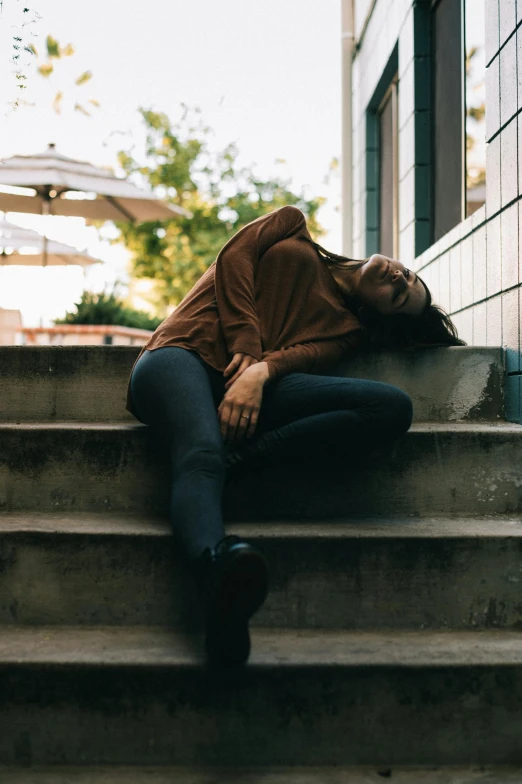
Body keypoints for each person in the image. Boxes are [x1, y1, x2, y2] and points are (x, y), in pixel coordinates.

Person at [126, 205, 464, 667]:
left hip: (250, 390)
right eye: (406, 273)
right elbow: (235, 258)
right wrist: (247, 345)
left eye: (400, 293)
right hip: (179, 355)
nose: (399, 277)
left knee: (391, 406)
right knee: (201, 450)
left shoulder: (346, 333)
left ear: (379, 314)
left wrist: (261, 371)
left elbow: (299, 357)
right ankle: (215, 559)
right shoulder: (292, 225)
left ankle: (239, 492)